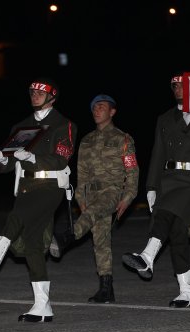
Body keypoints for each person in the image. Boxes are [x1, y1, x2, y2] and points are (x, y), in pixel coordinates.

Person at [0, 77, 77, 322]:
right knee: (31, 244)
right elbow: (10, 162)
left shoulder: (64, 124)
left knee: (17, 216)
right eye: (32, 92)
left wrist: (31, 158)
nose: (35, 95)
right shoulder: (22, 126)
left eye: (40, 92)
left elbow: (61, 158)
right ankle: (42, 305)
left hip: (50, 185)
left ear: (52, 97)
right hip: (27, 185)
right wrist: (2, 161)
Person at [121, 73, 190, 308]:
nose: (177, 89)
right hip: (171, 179)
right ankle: (187, 291)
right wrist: (152, 186)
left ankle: (147, 256)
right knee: (176, 232)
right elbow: (158, 153)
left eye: (182, 85)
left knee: (166, 214)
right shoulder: (164, 118)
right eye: (174, 85)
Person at [52, 94, 139, 304]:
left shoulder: (122, 139)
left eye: (102, 107)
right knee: (100, 241)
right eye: (94, 108)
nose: (96, 110)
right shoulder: (86, 140)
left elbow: (132, 170)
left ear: (112, 111)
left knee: (92, 215)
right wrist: (80, 197)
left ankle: (67, 237)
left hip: (112, 191)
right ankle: (106, 288)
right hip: (90, 193)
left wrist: (128, 196)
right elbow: (80, 173)